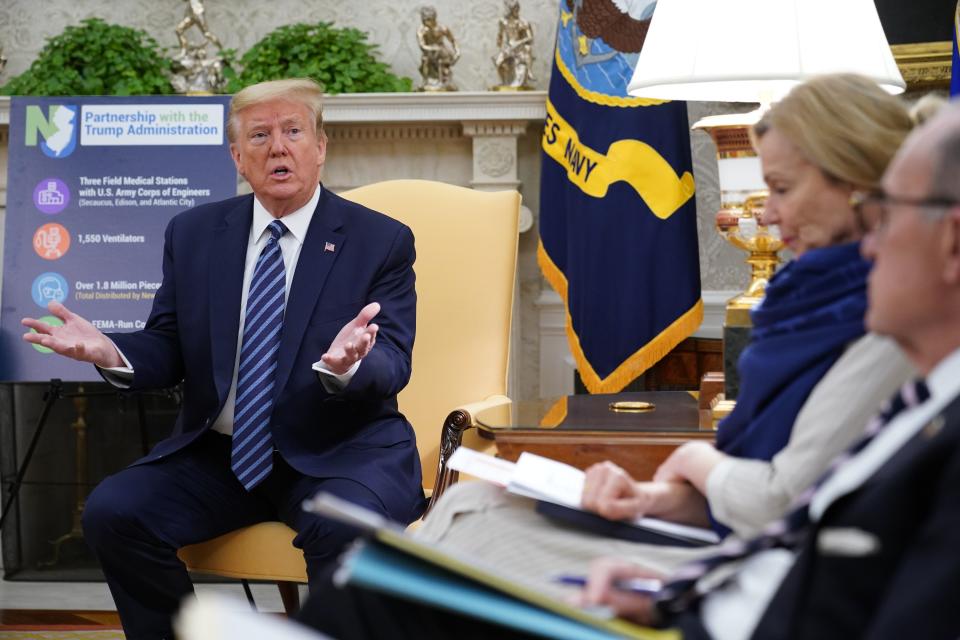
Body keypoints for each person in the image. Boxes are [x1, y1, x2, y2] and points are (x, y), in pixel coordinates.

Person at [302, 91, 960, 640]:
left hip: (729, 592)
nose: (764, 214)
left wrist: (691, 477)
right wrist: (657, 498)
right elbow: (802, 501)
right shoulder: (832, 314)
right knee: (456, 519)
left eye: (781, 187)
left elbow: (786, 513)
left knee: (407, 569)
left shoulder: (894, 339)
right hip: (718, 572)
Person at [21, 78, 425, 640]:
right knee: (116, 512)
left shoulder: (378, 239)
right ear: (238, 156)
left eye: (292, 132)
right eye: (259, 135)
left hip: (340, 451)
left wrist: (349, 366)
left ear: (320, 146)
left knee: (350, 534)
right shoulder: (194, 234)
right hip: (223, 456)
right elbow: (166, 346)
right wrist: (110, 349)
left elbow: (393, 360)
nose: (277, 148)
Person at [493, 0, 535, 89]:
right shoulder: (503, 22)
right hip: (508, 47)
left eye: (517, 8)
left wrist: (519, 43)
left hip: (520, 47)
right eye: (515, 9)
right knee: (498, 62)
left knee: (527, 49)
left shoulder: (523, 22)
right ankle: (505, 82)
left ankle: (528, 71)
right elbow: (500, 36)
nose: (517, 11)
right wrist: (500, 42)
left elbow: (530, 38)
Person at [416, 6, 460, 91]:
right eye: (423, 20)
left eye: (428, 19)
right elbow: (422, 46)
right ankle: (425, 81)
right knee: (425, 60)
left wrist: (457, 52)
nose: (425, 22)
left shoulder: (442, 28)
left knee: (443, 59)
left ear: (434, 19)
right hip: (429, 52)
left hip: (442, 51)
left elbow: (453, 41)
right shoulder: (421, 30)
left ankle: (443, 81)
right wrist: (432, 49)